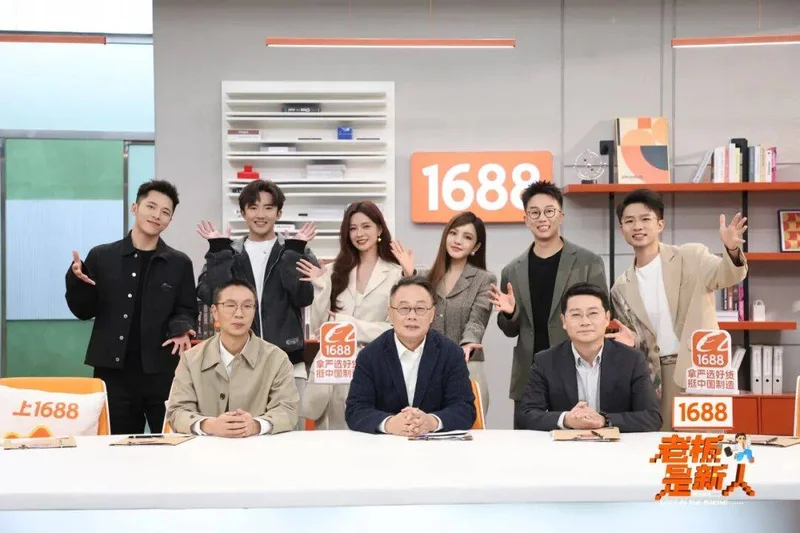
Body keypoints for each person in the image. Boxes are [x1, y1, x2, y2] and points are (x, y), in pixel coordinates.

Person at [65, 180, 197, 435]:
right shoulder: (102, 256)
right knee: (117, 445)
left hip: (162, 370)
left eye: (165, 212)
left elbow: (186, 308)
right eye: (151, 207)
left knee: (172, 441)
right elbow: (83, 311)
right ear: (135, 208)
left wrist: (181, 329)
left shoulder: (179, 263)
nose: (157, 215)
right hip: (113, 373)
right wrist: (76, 281)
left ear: (170, 220)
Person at [610, 188, 748, 431]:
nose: (637, 226)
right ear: (622, 229)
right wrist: (630, 342)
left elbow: (726, 275)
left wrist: (732, 250)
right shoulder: (620, 287)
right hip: (654, 377)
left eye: (645, 219)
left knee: (703, 443)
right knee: (661, 444)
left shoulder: (691, 256)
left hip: (698, 369)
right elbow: (635, 338)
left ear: (660, 224)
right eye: (629, 221)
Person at [196, 180, 317, 426]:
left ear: (279, 213)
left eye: (268, 208)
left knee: (289, 433)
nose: (260, 215)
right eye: (253, 207)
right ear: (243, 212)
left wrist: (294, 252)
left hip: (289, 358)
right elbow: (211, 295)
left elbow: (303, 297)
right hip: (239, 360)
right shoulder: (228, 251)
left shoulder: (295, 250)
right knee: (242, 433)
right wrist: (218, 251)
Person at [488, 181, 608, 428]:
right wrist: (510, 314)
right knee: (528, 443)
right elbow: (510, 330)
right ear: (526, 219)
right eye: (534, 212)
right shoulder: (512, 269)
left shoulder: (588, 262)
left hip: (577, 370)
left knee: (580, 440)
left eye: (549, 211)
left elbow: (603, 317)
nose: (542, 218)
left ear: (561, 216)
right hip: (530, 374)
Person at [296, 201, 403, 430]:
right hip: (333, 371)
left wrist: (346, 325)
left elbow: (394, 330)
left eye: (366, 226)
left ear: (379, 229)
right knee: (331, 442)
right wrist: (321, 285)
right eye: (353, 228)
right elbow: (319, 328)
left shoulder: (396, 274)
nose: (359, 234)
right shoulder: (333, 271)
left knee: (368, 437)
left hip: (374, 367)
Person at [517, 282, 661, 433]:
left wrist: (604, 420)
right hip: (565, 445)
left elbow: (652, 417)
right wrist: (566, 419)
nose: (585, 322)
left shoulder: (632, 360)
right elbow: (526, 415)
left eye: (593, 313)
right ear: (564, 321)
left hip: (617, 446)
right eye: (576, 315)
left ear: (607, 318)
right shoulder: (545, 361)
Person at [390, 211, 495, 414]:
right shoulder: (423, 277)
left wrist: (466, 345)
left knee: (468, 425)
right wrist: (409, 275)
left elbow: (478, 319)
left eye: (467, 237)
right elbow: (406, 311)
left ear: (476, 247)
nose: (458, 241)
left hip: (467, 364)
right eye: (453, 233)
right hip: (427, 366)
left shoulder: (484, 279)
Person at [345, 276, 476, 435]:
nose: (412, 316)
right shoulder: (370, 355)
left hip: (436, 445)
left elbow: (464, 409)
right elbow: (356, 410)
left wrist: (431, 422)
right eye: (404, 308)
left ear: (432, 314)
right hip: (385, 445)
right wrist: (389, 424)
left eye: (420, 309)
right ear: (390, 313)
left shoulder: (451, 353)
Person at [166, 279, 298, 436]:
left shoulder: (277, 359)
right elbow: (177, 412)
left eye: (247, 306)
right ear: (215, 312)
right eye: (230, 305)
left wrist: (255, 425)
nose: (239, 314)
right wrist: (210, 425)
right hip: (205, 448)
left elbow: (287, 410)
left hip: (258, 447)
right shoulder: (190, 359)